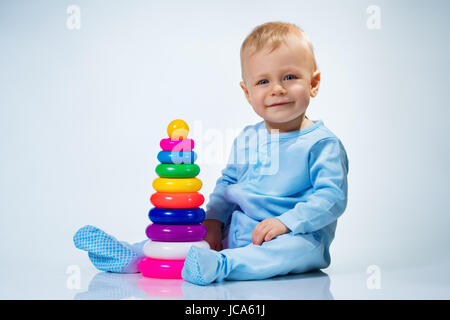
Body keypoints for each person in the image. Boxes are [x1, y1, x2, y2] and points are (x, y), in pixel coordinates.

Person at [73, 21, 349, 286]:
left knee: (293, 250)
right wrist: (214, 221)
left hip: (295, 234)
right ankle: (134, 255)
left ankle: (221, 266)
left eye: (289, 77)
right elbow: (228, 185)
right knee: (190, 234)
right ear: (247, 92)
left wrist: (286, 223)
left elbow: (331, 198)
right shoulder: (248, 137)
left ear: (313, 83)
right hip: (239, 230)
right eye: (263, 81)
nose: (277, 88)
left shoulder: (321, 144)